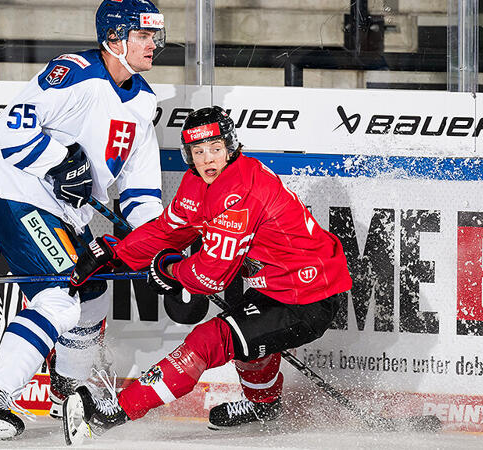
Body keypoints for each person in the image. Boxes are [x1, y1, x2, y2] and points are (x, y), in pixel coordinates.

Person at [62, 106, 353, 445]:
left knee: (210, 340)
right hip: (277, 286)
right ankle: (264, 405)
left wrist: (168, 270)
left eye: (215, 148)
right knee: (246, 337)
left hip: (308, 297)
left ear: (230, 146)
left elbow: (210, 277)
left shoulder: (240, 191)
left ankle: (112, 414)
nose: (207, 158)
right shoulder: (197, 183)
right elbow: (168, 231)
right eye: (198, 151)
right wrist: (116, 253)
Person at [0, 0, 166, 439]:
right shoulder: (75, 73)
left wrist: (164, 248)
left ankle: (66, 391)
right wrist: (60, 160)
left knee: (92, 299)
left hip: (69, 214)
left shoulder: (144, 101)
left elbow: (140, 193)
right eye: (142, 35)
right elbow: (12, 126)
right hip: (20, 197)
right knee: (59, 298)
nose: (153, 45)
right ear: (113, 39)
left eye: (154, 35)